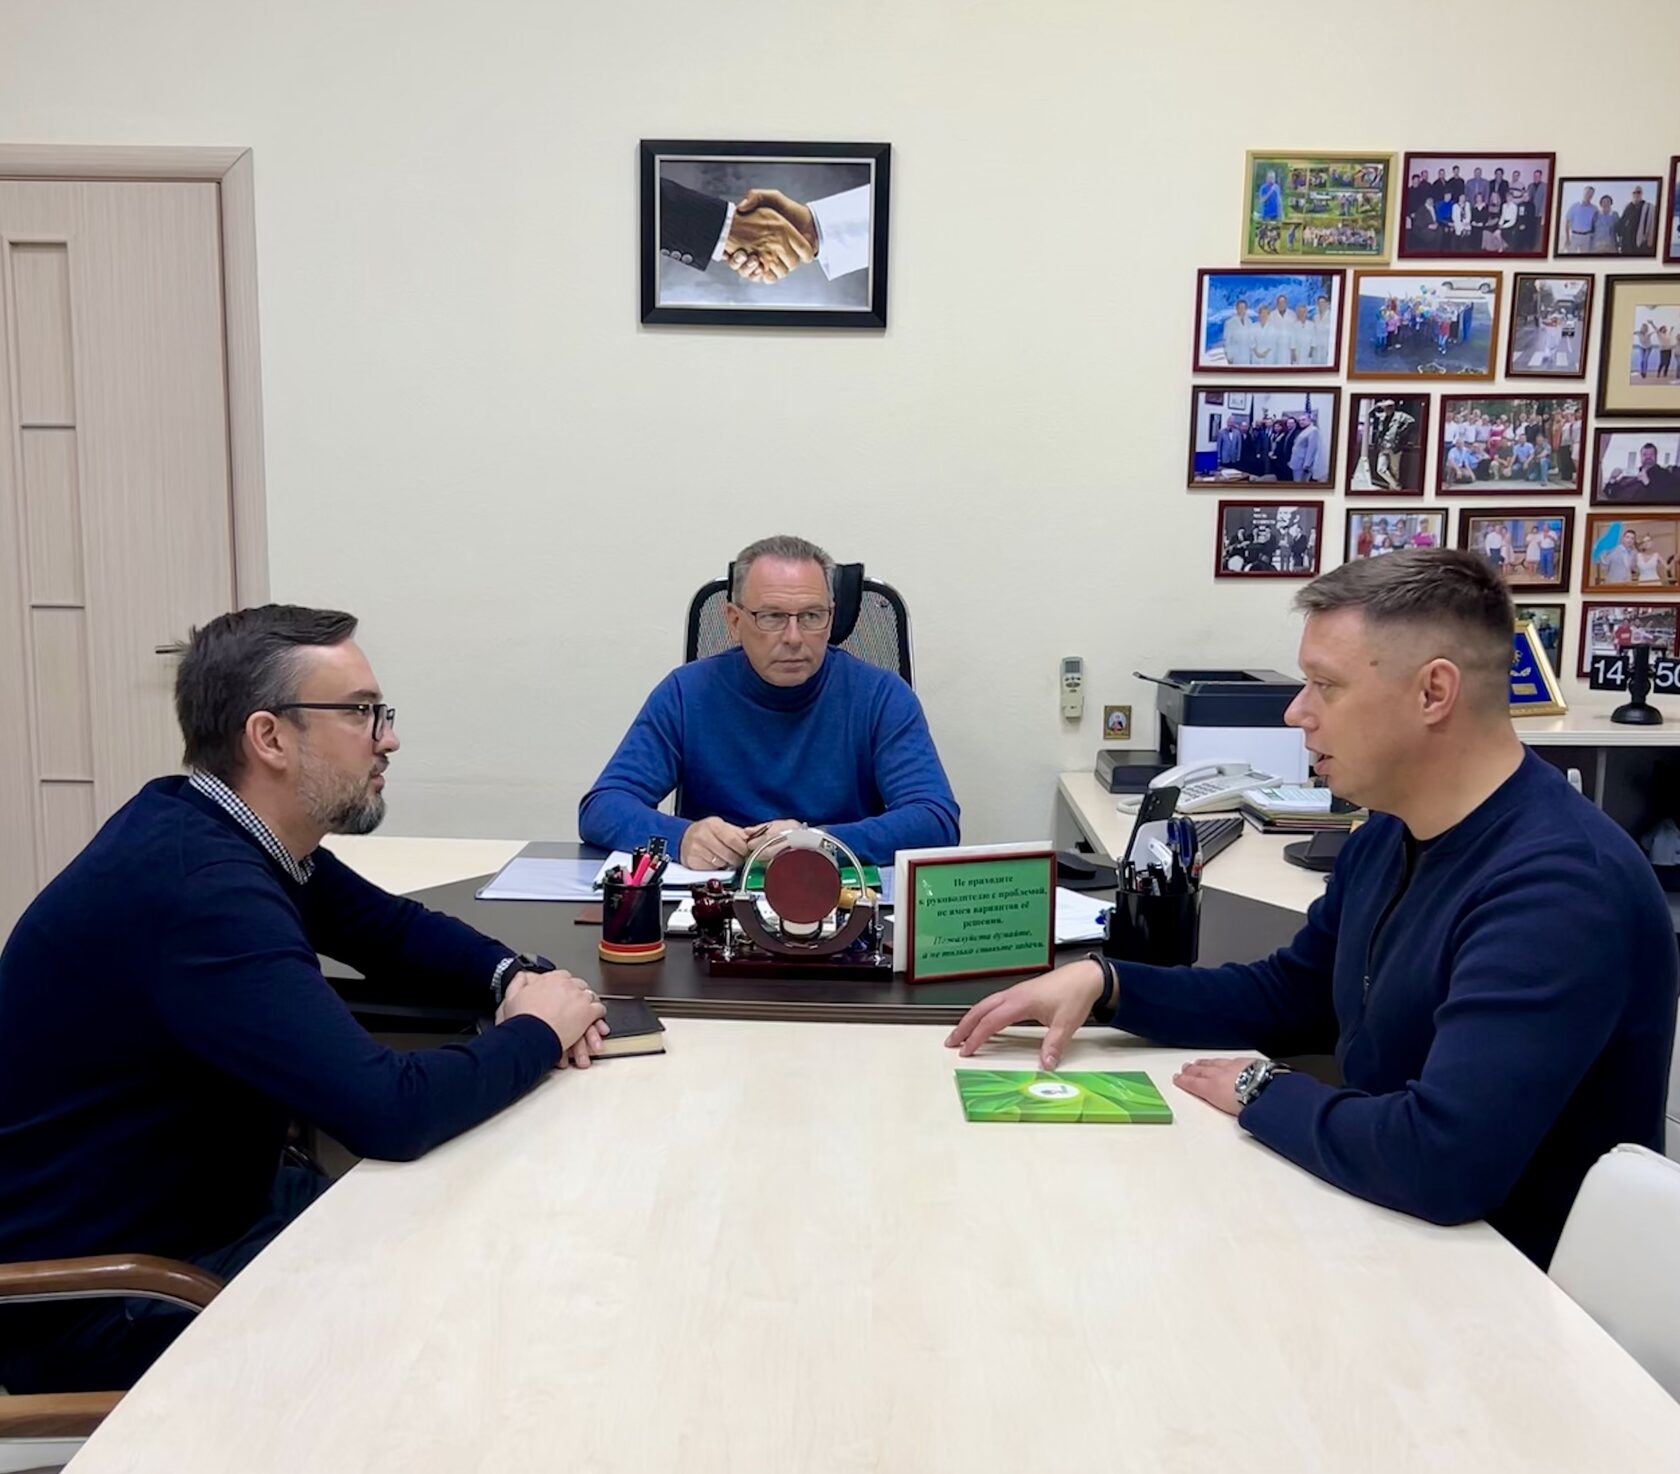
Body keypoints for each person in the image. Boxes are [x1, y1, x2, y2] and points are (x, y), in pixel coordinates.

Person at [947, 551, 1678, 1269]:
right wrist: (1108, 984)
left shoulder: (1559, 891)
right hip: (1390, 1233)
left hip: (1512, 1289)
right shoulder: (1391, 832)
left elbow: (1441, 1160)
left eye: (1325, 686)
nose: (1296, 713)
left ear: (1434, 692)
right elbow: (1292, 997)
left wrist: (1260, 1090)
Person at [0, 606, 611, 1395]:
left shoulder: (219, 825)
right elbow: (388, 1111)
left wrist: (509, 979)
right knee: (460, 1335)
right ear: (270, 737)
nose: (389, 739)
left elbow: (384, 930)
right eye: (361, 713)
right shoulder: (202, 891)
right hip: (106, 1293)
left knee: (477, 1236)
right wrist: (537, 1030)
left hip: (208, 1206)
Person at [578, 535, 959, 867]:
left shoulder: (882, 696)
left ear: (831, 619)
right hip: (716, 899)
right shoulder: (686, 692)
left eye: (811, 616)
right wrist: (680, 839)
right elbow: (602, 807)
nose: (793, 637)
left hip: (837, 895)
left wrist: (818, 842)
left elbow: (935, 818)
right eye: (772, 617)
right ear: (734, 621)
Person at [1603, 441, 1680, 501]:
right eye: (1645, 455)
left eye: (1651, 454)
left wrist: (1647, 482)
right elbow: (1610, 494)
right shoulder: (1632, 475)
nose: (1648, 457)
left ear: (1656, 457)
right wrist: (1612, 479)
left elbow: (1667, 497)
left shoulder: (1664, 474)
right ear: (1641, 457)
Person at [1561, 184, 1598, 254]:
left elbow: (1596, 222)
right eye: (1587, 193)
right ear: (1584, 193)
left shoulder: (1594, 209)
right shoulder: (1574, 206)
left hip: (1587, 237)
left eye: (1591, 194)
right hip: (1574, 236)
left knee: (1584, 258)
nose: (1589, 195)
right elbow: (1567, 222)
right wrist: (1567, 238)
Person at [1620, 185, 1656, 256]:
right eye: (1634, 192)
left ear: (1642, 193)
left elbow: (1653, 225)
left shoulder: (1649, 207)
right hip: (1627, 245)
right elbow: (1621, 224)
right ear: (1632, 194)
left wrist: (1650, 242)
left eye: (1638, 192)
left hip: (1642, 245)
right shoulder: (1627, 207)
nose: (1636, 194)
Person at [1221, 298, 1254, 366]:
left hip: (1247, 358)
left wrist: (1252, 356)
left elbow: (1251, 340)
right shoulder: (1230, 323)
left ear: (1246, 309)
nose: (1242, 310)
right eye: (1240, 308)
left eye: (1243, 308)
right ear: (1236, 309)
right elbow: (1227, 342)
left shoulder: (1250, 322)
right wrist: (1229, 357)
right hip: (1235, 358)